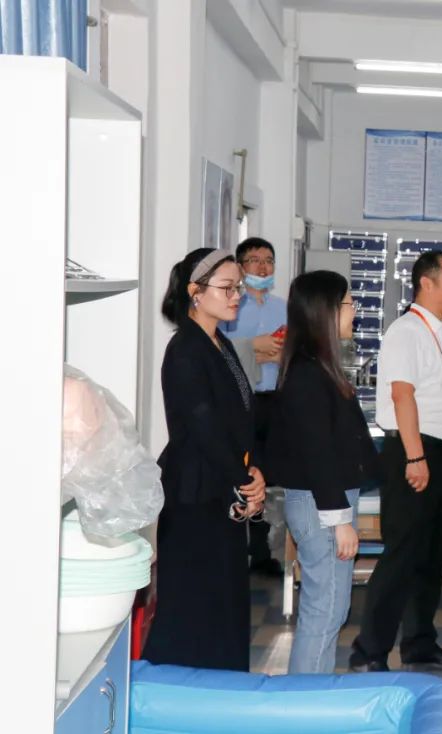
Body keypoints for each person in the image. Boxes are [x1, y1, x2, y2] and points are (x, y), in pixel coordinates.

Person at [144, 248, 267, 672]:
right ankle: (175, 689)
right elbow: (204, 428)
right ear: (195, 292)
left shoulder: (221, 343)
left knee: (223, 599)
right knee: (193, 601)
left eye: (239, 288)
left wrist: (254, 470)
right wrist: (243, 480)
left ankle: (223, 685)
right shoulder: (185, 350)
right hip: (195, 492)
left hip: (222, 485)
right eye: (227, 288)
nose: (237, 296)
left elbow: (240, 418)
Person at [349, 251, 442, 673]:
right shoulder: (407, 331)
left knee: (428, 554)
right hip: (412, 450)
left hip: (437, 450)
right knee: (402, 554)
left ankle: (419, 643)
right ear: (427, 283)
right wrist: (416, 456)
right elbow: (402, 396)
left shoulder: (439, 333)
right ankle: (369, 652)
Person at [264, 270, 379, 674]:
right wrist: (340, 521)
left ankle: (314, 692)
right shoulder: (308, 374)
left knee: (331, 608)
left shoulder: (319, 367)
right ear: (325, 311)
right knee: (325, 609)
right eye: (348, 303)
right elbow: (318, 454)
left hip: (326, 502)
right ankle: (305, 701)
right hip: (322, 505)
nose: (355, 311)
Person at [221, 236, 287, 577]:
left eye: (269, 261)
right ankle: (235, 547)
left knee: (270, 474)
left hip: (275, 400)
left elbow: (291, 350)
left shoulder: (283, 308)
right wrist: (256, 351)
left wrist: (271, 353)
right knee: (244, 471)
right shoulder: (231, 306)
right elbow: (223, 351)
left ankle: (262, 551)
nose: (263, 267)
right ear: (241, 266)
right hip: (241, 400)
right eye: (255, 260)